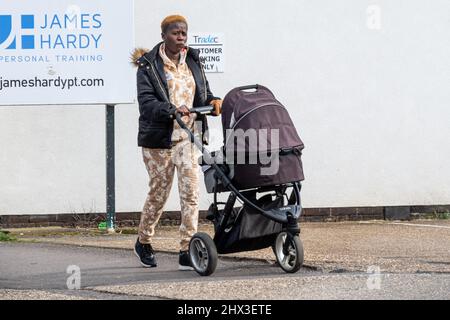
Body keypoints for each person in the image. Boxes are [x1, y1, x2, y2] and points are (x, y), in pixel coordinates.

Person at [131, 15, 222, 270]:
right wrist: (171, 109)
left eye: (183, 32)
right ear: (163, 36)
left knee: (191, 194)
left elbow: (203, 92)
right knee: (159, 193)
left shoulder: (193, 59)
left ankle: (186, 248)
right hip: (159, 141)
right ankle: (144, 241)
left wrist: (214, 102)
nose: (181, 36)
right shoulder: (148, 66)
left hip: (187, 139)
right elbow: (147, 103)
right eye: (175, 33)